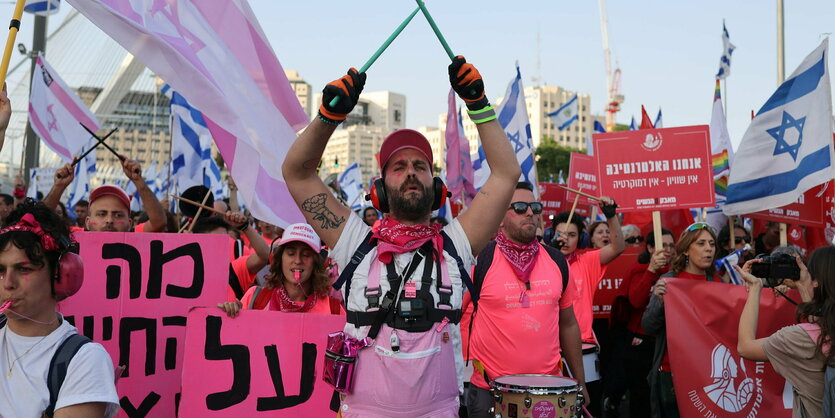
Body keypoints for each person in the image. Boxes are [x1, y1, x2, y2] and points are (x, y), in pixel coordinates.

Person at [282, 56, 521, 417]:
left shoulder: (456, 245)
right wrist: (328, 118)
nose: (410, 173)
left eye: (420, 166)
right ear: (379, 189)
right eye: (399, 167)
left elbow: (506, 174)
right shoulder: (355, 243)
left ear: (437, 187)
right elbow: (297, 173)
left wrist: (478, 105)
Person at [463, 182, 585, 417]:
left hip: (549, 394)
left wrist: (580, 383)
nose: (529, 212)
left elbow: (568, 324)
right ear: (499, 217)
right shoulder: (479, 260)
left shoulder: (557, 261)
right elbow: (449, 318)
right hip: (491, 393)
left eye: (534, 207)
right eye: (519, 207)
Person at [0, 200, 119, 417]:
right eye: (0, 270)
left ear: (60, 275)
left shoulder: (84, 360)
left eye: (23, 269)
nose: (8, 282)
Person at [642, 222, 718, 417]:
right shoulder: (670, 281)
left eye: (711, 243)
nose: (708, 248)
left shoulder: (718, 284)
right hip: (671, 373)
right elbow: (648, 326)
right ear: (685, 250)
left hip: (708, 374)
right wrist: (659, 300)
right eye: (701, 243)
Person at [735, 247, 822, 416]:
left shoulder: (800, 338)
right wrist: (803, 286)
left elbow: (745, 347)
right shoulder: (826, 331)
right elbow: (818, 324)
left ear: (818, 281)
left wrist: (755, 288)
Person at [219, 223, 343, 315]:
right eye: (290, 253)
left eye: (306, 255)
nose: (298, 261)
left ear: (317, 262)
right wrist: (231, 316)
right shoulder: (255, 298)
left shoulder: (334, 310)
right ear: (279, 259)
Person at [615, 228, 675, 416]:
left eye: (671, 245)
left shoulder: (676, 273)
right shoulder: (639, 270)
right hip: (640, 345)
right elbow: (636, 301)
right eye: (663, 245)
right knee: (641, 401)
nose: (668, 250)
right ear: (650, 247)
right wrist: (651, 271)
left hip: (665, 346)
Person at [44, 158, 167, 233]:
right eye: (101, 214)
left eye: (118, 215)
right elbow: (39, 222)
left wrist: (138, 181)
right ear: (87, 222)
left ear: (129, 224)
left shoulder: (134, 237)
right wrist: (58, 186)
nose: (109, 221)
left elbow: (159, 222)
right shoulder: (73, 237)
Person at [191, 212, 269, 302]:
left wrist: (245, 227)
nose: (223, 245)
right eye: (216, 241)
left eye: (225, 240)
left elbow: (264, 256)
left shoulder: (234, 271)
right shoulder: (185, 276)